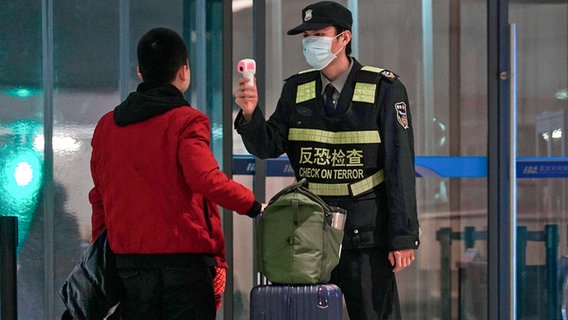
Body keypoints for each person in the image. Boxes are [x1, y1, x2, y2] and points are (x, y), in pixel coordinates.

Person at [234, 2, 420, 319]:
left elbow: (399, 167)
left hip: (365, 235)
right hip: (310, 235)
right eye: (307, 36)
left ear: (344, 37)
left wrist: (403, 237)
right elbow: (269, 145)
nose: (311, 42)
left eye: (319, 34)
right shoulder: (297, 89)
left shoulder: (383, 89)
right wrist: (250, 113)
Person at [89, 27, 263, 320]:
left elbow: (99, 198)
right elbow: (205, 179)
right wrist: (253, 205)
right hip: (184, 264)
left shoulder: (107, 126)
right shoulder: (186, 121)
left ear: (140, 72)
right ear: (184, 71)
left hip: (130, 264)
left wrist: (103, 255)